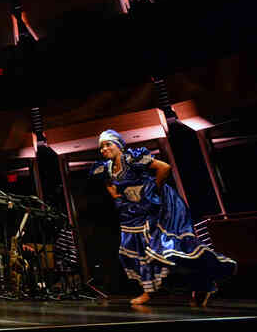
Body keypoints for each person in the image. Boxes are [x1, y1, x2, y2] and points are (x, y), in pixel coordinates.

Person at [91, 129, 236, 306]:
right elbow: (109, 185)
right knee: (132, 250)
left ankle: (201, 283)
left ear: (119, 145)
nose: (104, 149)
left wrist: (154, 189)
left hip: (157, 207)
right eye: (101, 147)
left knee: (166, 250)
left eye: (108, 144)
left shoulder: (131, 159)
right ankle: (150, 290)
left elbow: (164, 168)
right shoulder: (105, 168)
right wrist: (119, 198)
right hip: (132, 211)